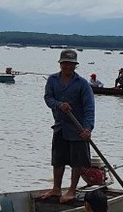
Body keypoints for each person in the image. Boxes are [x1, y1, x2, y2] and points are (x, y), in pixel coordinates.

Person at [40, 49, 95, 203]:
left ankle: (72, 189)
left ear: (75, 66)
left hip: (77, 129)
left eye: (71, 64)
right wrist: (59, 105)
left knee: (77, 161)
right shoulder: (52, 80)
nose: (67, 67)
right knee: (58, 159)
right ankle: (56, 188)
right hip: (60, 127)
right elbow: (48, 98)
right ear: (61, 64)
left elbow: (89, 108)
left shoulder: (83, 84)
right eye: (65, 64)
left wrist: (88, 128)